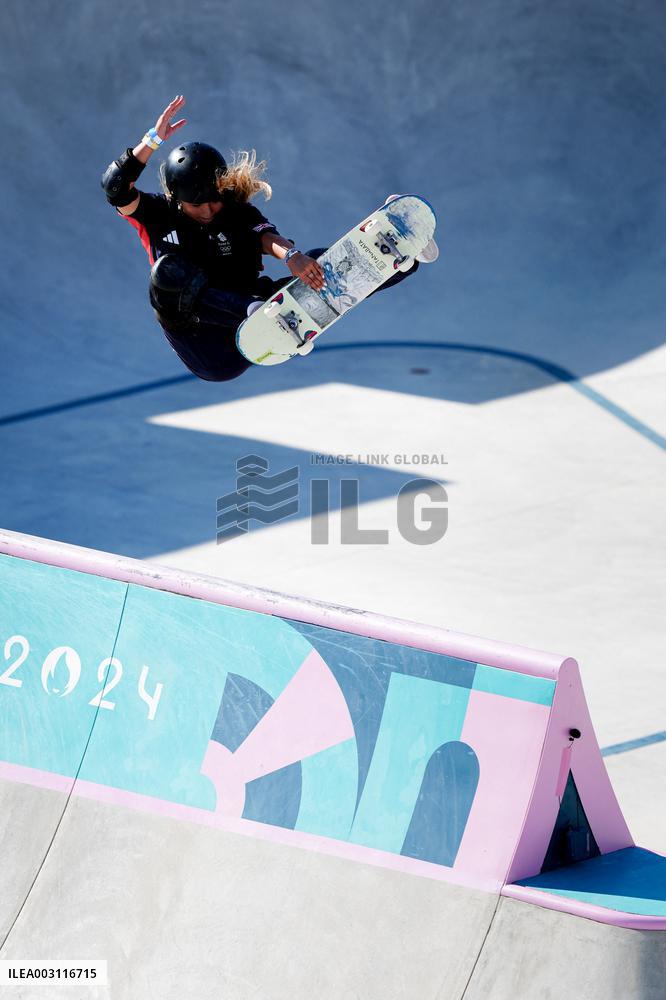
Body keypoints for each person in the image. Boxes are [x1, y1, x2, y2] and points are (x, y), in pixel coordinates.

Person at [101, 95, 437, 382]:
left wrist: (294, 258)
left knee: (321, 266)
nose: (206, 211)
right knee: (166, 275)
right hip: (208, 347)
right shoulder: (156, 214)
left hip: (257, 308)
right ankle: (258, 315)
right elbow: (115, 188)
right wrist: (151, 142)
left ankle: (400, 251)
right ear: (176, 198)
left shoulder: (234, 210)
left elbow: (265, 237)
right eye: (196, 205)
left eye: (213, 201)